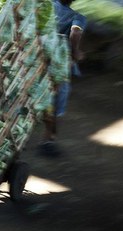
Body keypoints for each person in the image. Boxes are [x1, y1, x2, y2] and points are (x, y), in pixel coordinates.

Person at [40, 0, 86, 156]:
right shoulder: (77, 17)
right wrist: (75, 52)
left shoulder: (46, 5)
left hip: (36, 59)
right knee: (56, 103)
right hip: (58, 66)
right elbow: (76, 32)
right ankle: (49, 140)